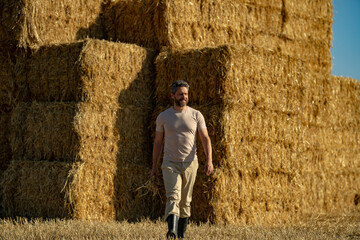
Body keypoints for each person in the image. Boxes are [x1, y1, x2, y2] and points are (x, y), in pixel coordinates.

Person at [151, 80, 214, 239]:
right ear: (172, 95)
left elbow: (205, 138)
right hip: (169, 163)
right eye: (180, 94)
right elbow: (158, 142)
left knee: (186, 201)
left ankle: (182, 234)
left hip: (190, 163)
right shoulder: (163, 117)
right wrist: (154, 166)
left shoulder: (196, 115)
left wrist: (209, 160)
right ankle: (171, 231)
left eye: (185, 94)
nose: (183, 97)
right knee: (173, 196)